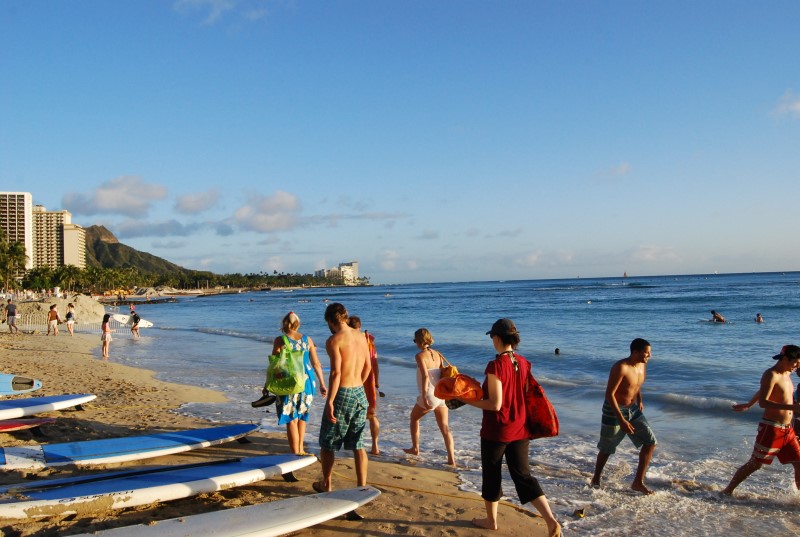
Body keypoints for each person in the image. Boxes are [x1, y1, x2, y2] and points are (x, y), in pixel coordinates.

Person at [460, 318, 560, 535]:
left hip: (497, 430)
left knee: (492, 475)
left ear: (497, 338)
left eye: (492, 337)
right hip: (520, 428)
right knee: (524, 476)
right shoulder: (523, 361)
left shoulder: (496, 365)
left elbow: (495, 404)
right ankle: (551, 520)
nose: (492, 341)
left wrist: (465, 399)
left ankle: (491, 521)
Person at [722, 345, 800, 495]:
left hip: (787, 430)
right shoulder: (771, 374)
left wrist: (749, 404)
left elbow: (763, 391)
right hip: (771, 428)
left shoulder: (786, 374)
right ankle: (727, 491)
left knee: (799, 463)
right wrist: (792, 407)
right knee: (755, 464)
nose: (797, 367)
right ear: (785, 359)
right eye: (795, 363)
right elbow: (764, 402)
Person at [314, 303, 371, 497]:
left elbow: (336, 373)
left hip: (343, 392)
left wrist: (330, 401)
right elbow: (368, 367)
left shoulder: (334, 340)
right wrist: (358, 386)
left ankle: (326, 484)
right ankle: (361, 486)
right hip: (359, 392)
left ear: (330, 321)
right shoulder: (362, 336)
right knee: (358, 444)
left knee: (328, 442)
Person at [591, 338, 657, 495]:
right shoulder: (621, 367)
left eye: (650, 353)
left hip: (632, 409)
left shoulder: (642, 365)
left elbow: (636, 384)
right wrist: (621, 419)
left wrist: (639, 399)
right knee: (607, 447)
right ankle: (595, 478)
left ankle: (637, 482)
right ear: (635, 352)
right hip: (613, 410)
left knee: (650, 442)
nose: (649, 356)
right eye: (647, 353)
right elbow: (609, 394)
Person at [270, 311, 327, 456]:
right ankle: (301, 450)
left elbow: (275, 366)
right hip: (308, 381)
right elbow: (316, 363)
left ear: (284, 323)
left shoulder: (280, 340)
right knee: (302, 417)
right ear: (298, 324)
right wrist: (322, 383)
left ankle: (295, 453)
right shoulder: (308, 340)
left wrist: (268, 385)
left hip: (289, 381)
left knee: (290, 418)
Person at [402, 328, 456, 466]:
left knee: (414, 418)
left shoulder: (420, 356)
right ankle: (451, 459)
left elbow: (426, 376)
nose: (415, 343)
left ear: (419, 341)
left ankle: (415, 448)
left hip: (430, 394)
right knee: (445, 427)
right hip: (440, 395)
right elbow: (442, 372)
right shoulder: (437, 354)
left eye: (415, 340)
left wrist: (425, 396)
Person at [348, 316, 381, 455]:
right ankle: (375, 446)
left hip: (356, 379)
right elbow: (375, 363)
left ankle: (355, 444)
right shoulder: (369, 341)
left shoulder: (351, 340)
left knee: (353, 414)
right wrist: (377, 381)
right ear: (360, 326)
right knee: (372, 414)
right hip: (370, 380)